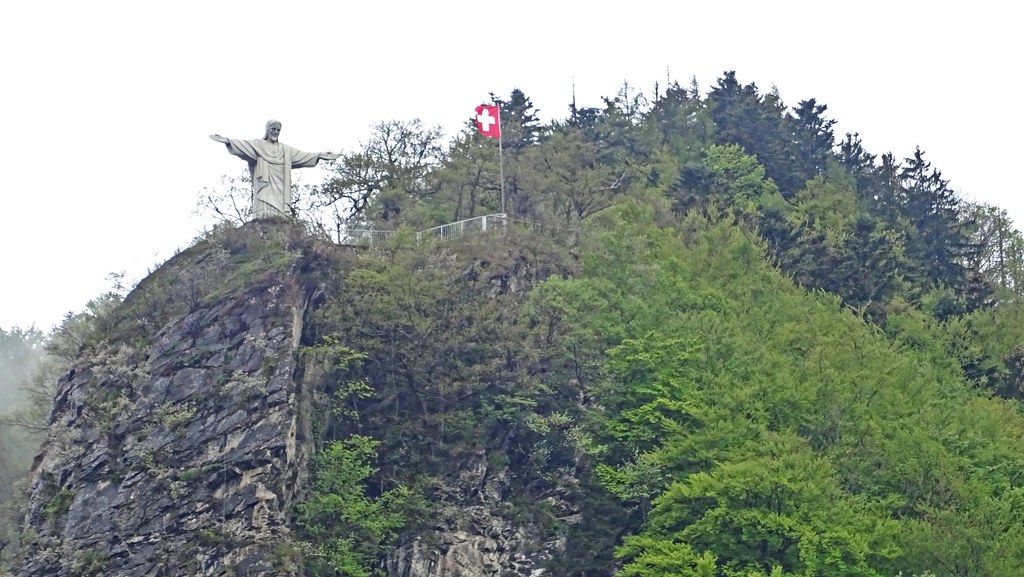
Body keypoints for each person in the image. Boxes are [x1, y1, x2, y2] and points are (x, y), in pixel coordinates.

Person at [210, 120, 339, 219]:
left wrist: (320, 155)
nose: (275, 132)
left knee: (280, 213)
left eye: (278, 130)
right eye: (273, 129)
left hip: (281, 185)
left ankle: (280, 219)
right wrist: (227, 141)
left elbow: (303, 156)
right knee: (264, 208)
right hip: (265, 182)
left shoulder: (286, 150)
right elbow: (243, 145)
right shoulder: (258, 145)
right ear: (267, 130)